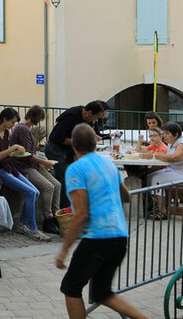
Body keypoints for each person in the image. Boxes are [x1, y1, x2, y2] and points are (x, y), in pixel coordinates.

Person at [55, 124, 147, 319]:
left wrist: (64, 250)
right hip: (119, 236)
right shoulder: (109, 165)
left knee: (70, 287)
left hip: (97, 238)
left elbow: (81, 214)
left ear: (74, 146)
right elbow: (127, 197)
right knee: (102, 292)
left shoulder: (75, 169)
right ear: (94, 144)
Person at [0, 108, 50, 241]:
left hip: (8, 167)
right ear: (4, 119)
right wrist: (13, 148)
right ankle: (33, 229)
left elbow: (6, 153)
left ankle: (21, 225)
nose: (13, 125)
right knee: (31, 193)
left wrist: (15, 152)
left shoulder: (6, 132)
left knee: (36, 192)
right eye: (12, 122)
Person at [9, 105, 61, 235]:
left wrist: (43, 163)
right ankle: (48, 219)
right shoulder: (22, 129)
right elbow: (28, 154)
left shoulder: (27, 129)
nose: (40, 121)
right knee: (48, 187)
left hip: (32, 164)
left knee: (57, 184)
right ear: (36, 117)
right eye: (40, 118)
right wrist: (44, 162)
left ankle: (57, 215)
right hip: (24, 166)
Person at [46, 101, 107, 208]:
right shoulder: (71, 116)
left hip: (68, 152)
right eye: (96, 117)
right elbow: (57, 138)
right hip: (55, 149)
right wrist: (79, 141)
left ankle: (73, 206)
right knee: (66, 179)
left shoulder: (87, 119)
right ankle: (65, 211)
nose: (96, 120)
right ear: (89, 113)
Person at [144, 122, 183, 219]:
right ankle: (152, 206)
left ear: (176, 135)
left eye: (167, 133)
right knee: (148, 177)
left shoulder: (182, 144)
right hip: (175, 171)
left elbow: (175, 158)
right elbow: (165, 155)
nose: (164, 136)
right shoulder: (172, 143)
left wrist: (153, 155)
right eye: (164, 133)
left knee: (156, 180)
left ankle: (162, 212)